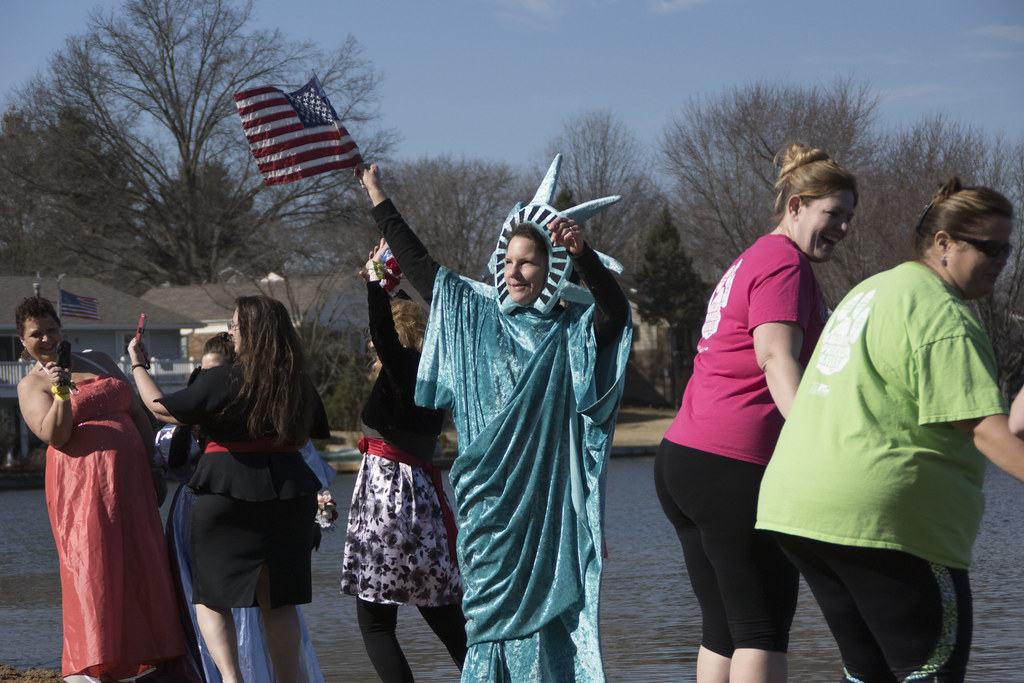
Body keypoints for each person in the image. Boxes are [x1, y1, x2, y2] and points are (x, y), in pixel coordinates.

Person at [355, 156, 632, 681]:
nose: (514, 270)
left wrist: (585, 255)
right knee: (482, 625)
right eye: (508, 260)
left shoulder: (567, 334)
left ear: (552, 267)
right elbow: (421, 266)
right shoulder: (473, 318)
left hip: (544, 509)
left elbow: (614, 315)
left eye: (528, 262)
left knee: (543, 623)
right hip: (485, 509)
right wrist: (377, 195)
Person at [756, 178, 1024, 682]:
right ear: (943, 243)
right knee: (930, 669)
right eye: (989, 247)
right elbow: (987, 433)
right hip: (885, 523)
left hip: (798, 513)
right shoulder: (943, 316)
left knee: (870, 672)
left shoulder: (874, 289)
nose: (1001, 259)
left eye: (1008, 248)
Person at [653, 142, 858, 682]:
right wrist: (818, 443)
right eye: (831, 214)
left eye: (847, 217)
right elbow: (774, 358)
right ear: (795, 206)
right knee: (761, 629)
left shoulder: (754, 257)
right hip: (732, 464)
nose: (841, 228)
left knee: (725, 627)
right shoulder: (783, 264)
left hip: (685, 460)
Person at [128, 295, 330, 683]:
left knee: (212, 597)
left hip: (227, 492)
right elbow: (311, 430)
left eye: (235, 326)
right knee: (279, 602)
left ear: (252, 332)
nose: (230, 333)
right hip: (290, 496)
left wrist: (137, 363)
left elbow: (159, 406)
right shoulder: (297, 382)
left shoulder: (224, 378)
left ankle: (232, 680)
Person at [15, 296, 188, 682]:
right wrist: (60, 391)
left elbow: (137, 413)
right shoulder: (32, 385)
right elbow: (55, 435)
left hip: (132, 480)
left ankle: (153, 656)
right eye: (35, 334)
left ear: (63, 330)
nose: (46, 338)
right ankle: (97, 662)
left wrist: (152, 466)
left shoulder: (100, 360)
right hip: (82, 489)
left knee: (143, 560)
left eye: (51, 329)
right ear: (22, 342)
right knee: (94, 567)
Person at [339, 239, 467, 681]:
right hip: (425, 507)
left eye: (379, 345)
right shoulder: (436, 374)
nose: (374, 351)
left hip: (387, 505)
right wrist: (387, 282)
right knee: (448, 619)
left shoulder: (400, 369)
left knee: (376, 624)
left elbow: (382, 333)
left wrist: (376, 282)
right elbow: (391, 329)